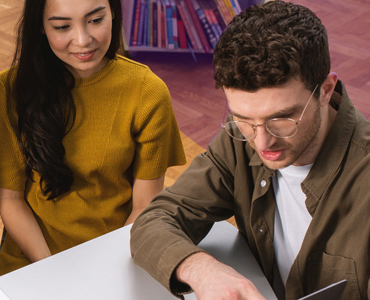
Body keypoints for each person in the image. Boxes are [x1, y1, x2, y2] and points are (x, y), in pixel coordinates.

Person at [130, 1, 370, 299]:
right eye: (243, 118)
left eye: (282, 118)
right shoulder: (240, 139)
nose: (262, 142)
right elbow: (154, 220)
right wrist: (200, 269)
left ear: (325, 91)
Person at [0, 0, 186, 277]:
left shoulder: (147, 91)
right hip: (33, 259)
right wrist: (53, 270)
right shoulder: (10, 90)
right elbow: (11, 201)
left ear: (113, 12)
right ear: (40, 26)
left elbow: (144, 206)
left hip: (118, 255)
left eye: (96, 20)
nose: (83, 40)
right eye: (62, 26)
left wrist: (104, 274)